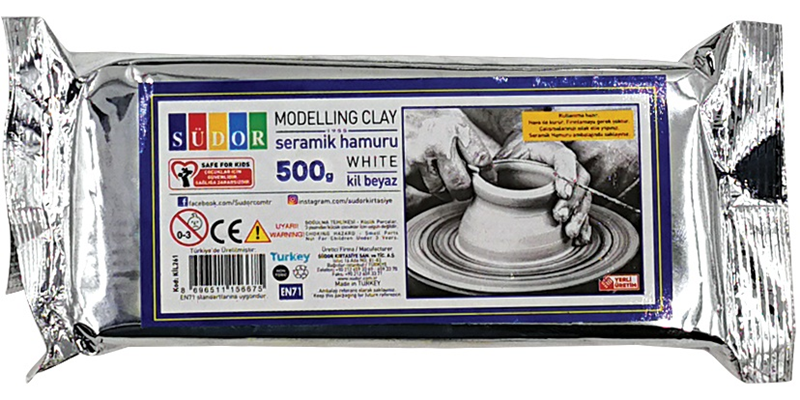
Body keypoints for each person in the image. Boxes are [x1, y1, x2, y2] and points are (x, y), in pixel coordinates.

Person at [404, 108, 640, 247]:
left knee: (619, 154)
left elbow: (493, 71)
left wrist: (522, 131)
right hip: (410, 118)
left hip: (488, 105)